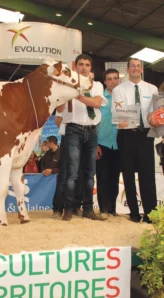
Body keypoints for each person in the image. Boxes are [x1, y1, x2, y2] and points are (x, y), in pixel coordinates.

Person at [60, 54, 107, 221]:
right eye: (81, 64)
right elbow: (58, 108)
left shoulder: (98, 85)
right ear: (75, 66)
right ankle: (68, 209)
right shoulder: (66, 84)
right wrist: (67, 91)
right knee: (72, 173)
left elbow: (96, 103)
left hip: (92, 131)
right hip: (73, 130)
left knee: (90, 174)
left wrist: (77, 95)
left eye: (87, 65)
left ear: (91, 67)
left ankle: (88, 210)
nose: (84, 67)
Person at [112, 58, 158, 223]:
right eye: (133, 66)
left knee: (147, 175)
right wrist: (121, 120)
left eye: (139, 66)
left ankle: (150, 213)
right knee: (128, 174)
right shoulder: (119, 89)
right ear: (128, 69)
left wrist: (155, 118)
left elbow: (155, 112)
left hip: (145, 135)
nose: (136, 69)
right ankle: (133, 212)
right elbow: (117, 111)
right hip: (126, 134)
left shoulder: (152, 89)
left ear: (142, 69)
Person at [96, 69, 121, 219]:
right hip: (101, 143)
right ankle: (104, 209)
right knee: (102, 178)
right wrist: (94, 145)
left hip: (118, 145)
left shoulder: (124, 98)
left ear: (119, 80)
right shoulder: (100, 99)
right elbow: (93, 123)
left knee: (114, 178)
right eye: (109, 79)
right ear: (105, 82)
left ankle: (112, 208)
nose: (113, 81)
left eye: (115, 78)